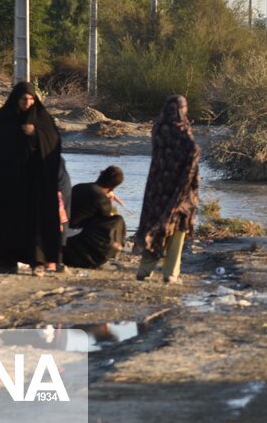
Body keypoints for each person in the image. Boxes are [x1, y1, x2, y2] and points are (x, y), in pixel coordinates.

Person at [0, 82, 64, 275]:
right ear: (16, 99)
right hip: (9, 184)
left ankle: (38, 263)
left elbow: (53, 143)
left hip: (35, 183)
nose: (27, 103)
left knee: (36, 222)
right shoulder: (4, 119)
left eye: (31, 99)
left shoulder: (43, 119)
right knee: (8, 222)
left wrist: (35, 134)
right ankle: (6, 261)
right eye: (24, 99)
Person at [136, 95, 201, 283]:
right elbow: (192, 151)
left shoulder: (158, 129)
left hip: (156, 188)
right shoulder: (182, 131)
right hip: (180, 189)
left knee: (154, 226)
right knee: (178, 229)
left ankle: (144, 270)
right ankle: (171, 273)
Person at [63, 166, 127, 270]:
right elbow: (107, 222)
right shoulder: (101, 198)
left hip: (63, 236)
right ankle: (100, 257)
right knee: (117, 221)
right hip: (76, 240)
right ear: (113, 187)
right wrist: (109, 202)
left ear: (100, 175)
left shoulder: (78, 187)